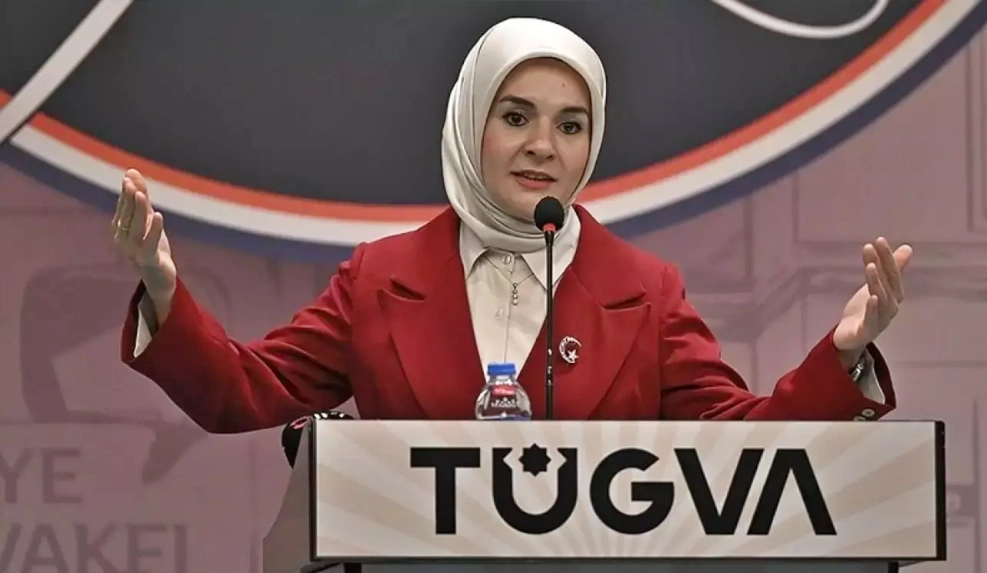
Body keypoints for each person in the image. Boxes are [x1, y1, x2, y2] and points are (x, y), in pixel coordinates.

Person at [111, 17, 911, 433]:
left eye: (571, 125)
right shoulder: (378, 279)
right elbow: (243, 393)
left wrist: (841, 356)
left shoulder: (646, 291)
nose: (543, 147)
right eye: (517, 116)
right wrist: (161, 287)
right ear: (471, 125)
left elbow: (741, 440)